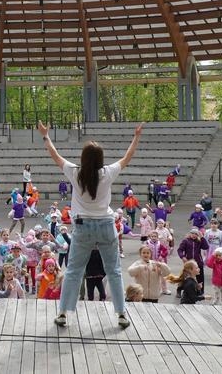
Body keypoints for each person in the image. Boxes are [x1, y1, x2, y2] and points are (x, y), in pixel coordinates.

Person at [38, 120, 142, 329]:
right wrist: (136, 136)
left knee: (74, 271)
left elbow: (55, 156)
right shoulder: (108, 172)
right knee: (113, 270)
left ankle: (64, 313)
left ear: (83, 158)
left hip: (83, 226)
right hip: (106, 225)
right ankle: (121, 314)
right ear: (101, 159)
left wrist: (45, 135)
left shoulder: (75, 172)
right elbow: (127, 157)